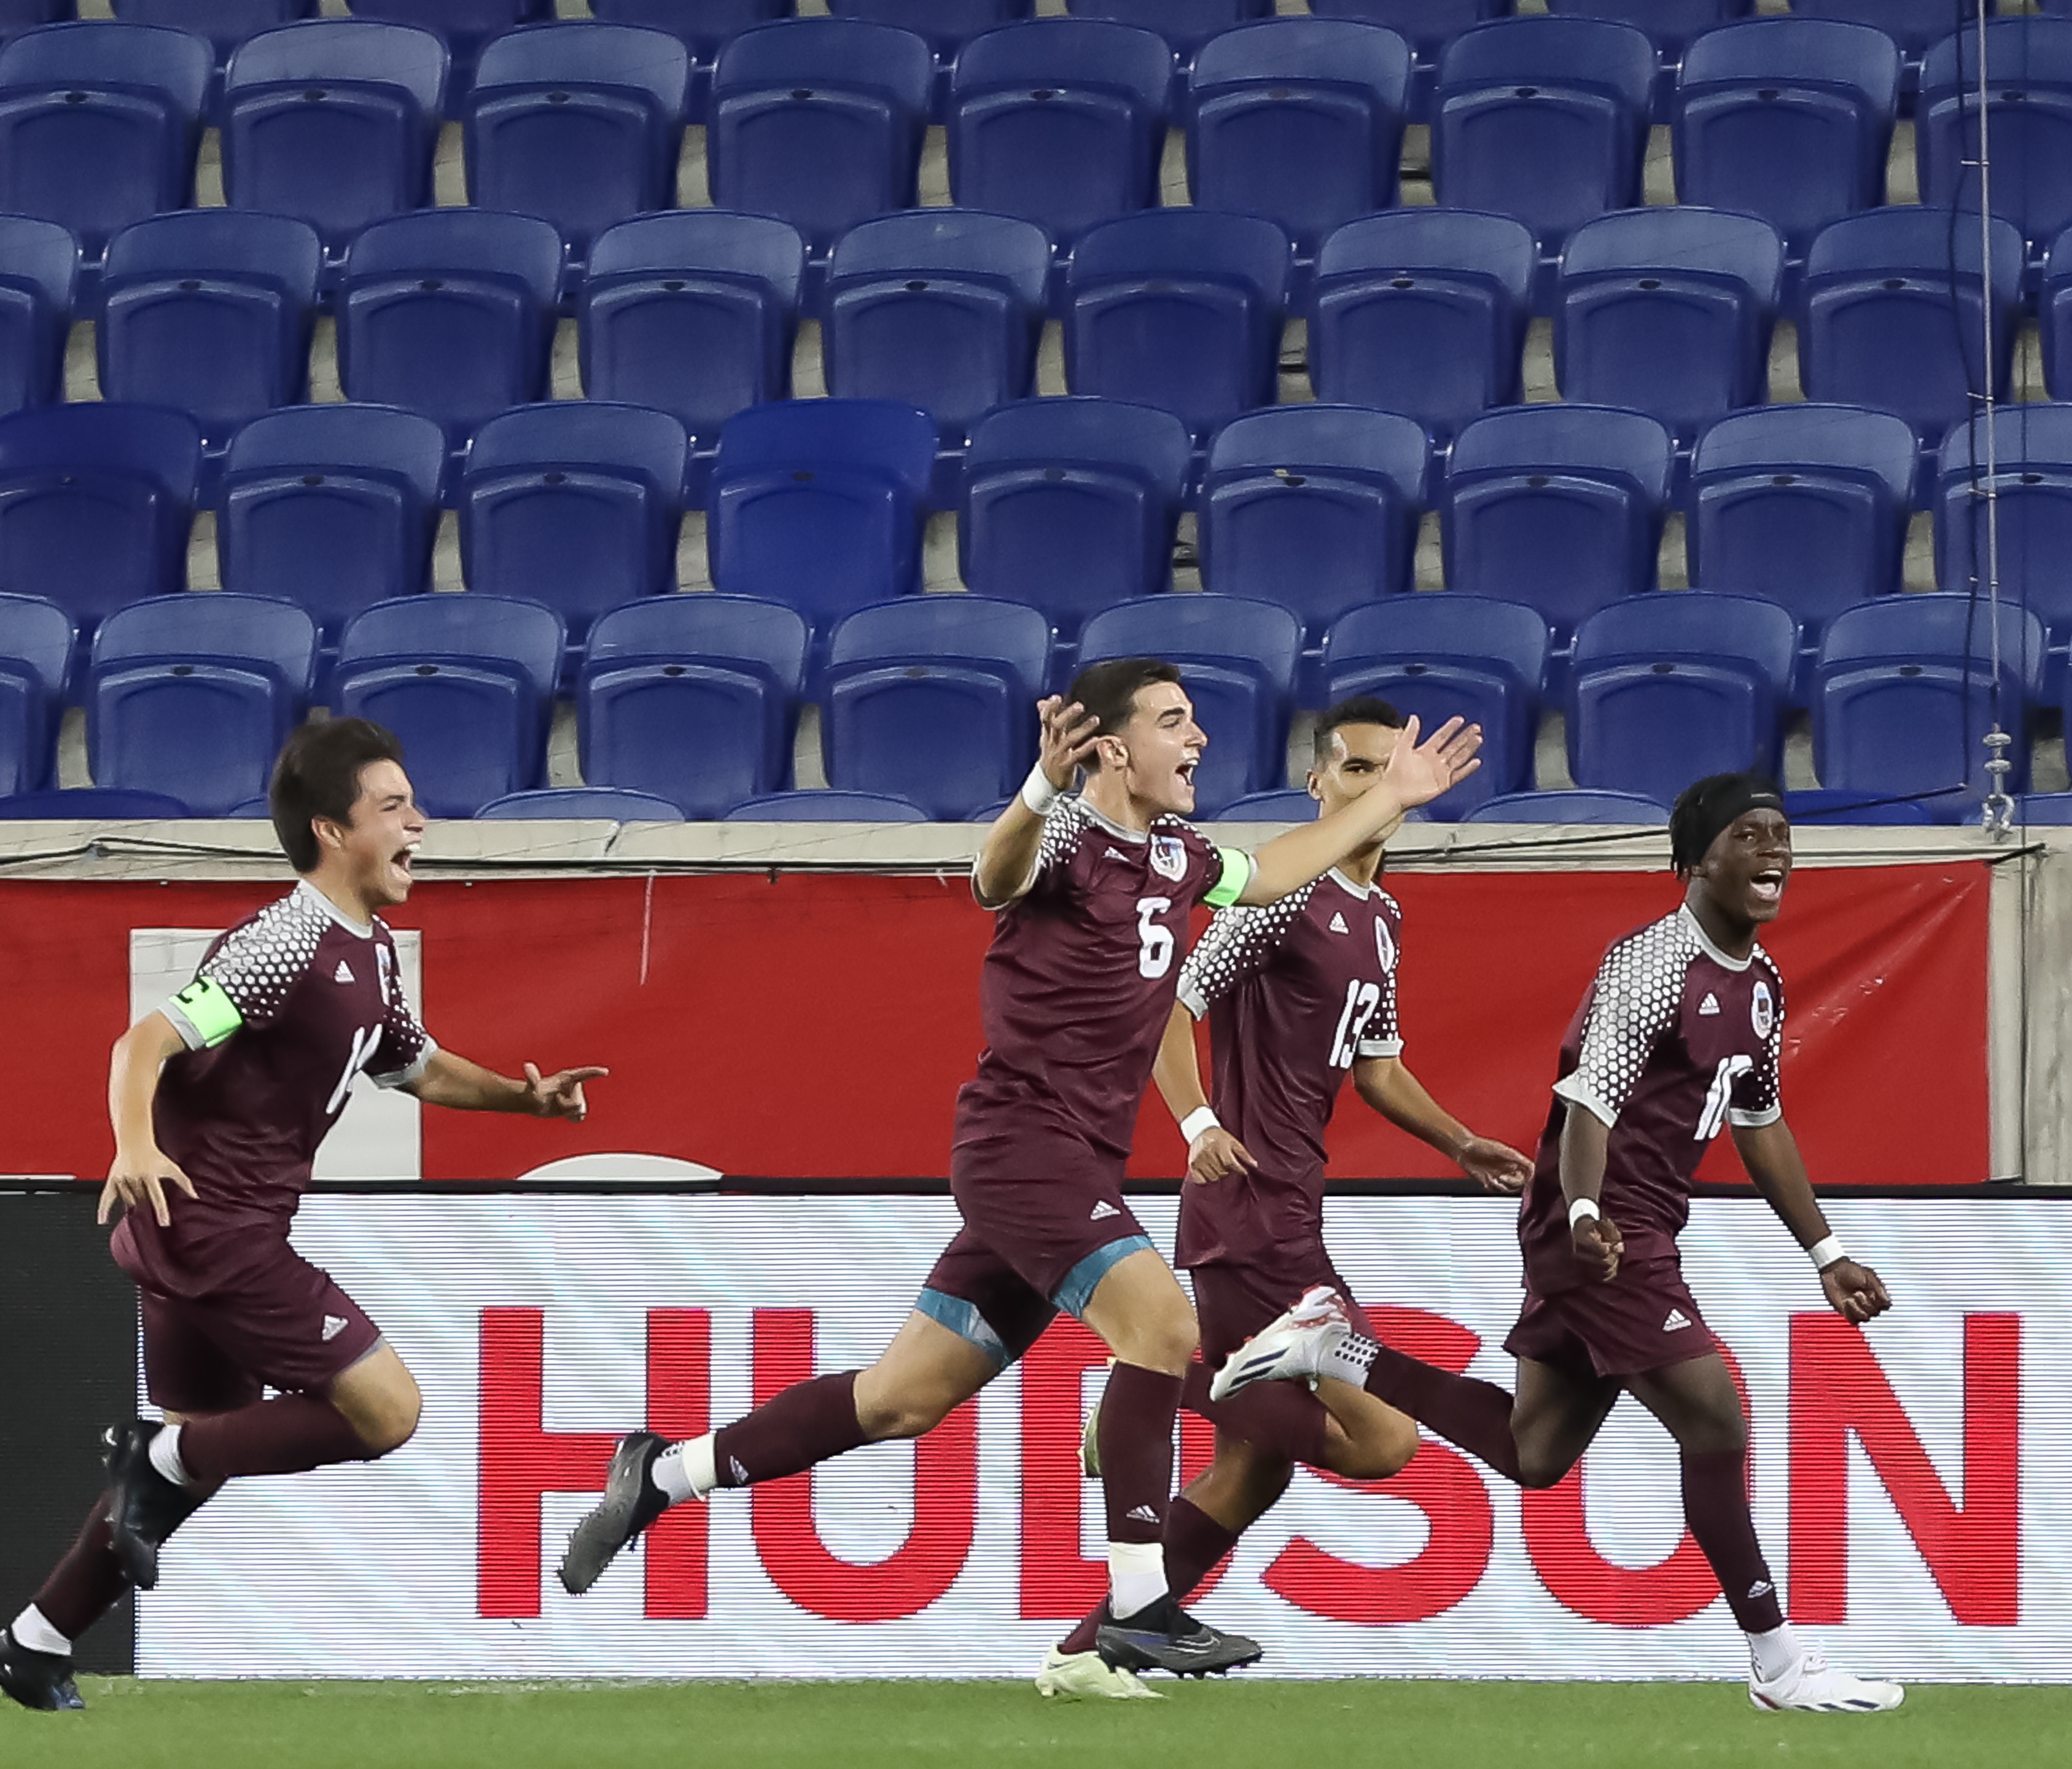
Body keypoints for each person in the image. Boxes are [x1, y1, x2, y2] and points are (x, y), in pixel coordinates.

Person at [560, 660, 1481, 1688]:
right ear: (1115, 747)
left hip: (1071, 1162)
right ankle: (1141, 1607)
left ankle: (661, 1474)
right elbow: (993, 875)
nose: (1201, 741)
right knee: (1164, 1330)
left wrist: (1391, 798)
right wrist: (1039, 789)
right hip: (1021, 1147)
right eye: (1177, 723)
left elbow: (1269, 873)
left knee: (901, 1399)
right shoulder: (1069, 842)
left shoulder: (1178, 854)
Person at [1214, 773, 1906, 1715]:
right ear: (1699, 859)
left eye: (1783, 836)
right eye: (1752, 836)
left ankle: (1329, 1348)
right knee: (1715, 1420)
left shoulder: (1764, 984)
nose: (1777, 852)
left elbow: (1761, 1124)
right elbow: (1588, 1099)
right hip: (1603, 1226)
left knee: (1534, 1453)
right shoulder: (1656, 962)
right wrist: (1583, 1216)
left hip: (1632, 1226)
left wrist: (1827, 1255)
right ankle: (1778, 1661)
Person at [0, 719, 607, 1712]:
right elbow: (145, 1041)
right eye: (395, 808)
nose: (421, 826)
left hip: (191, 1236)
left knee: (199, 1454)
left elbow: (419, 1066)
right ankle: (151, 1458)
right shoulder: (284, 945)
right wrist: (135, 1145)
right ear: (331, 830)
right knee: (385, 1411)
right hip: (216, 1229)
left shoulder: (369, 951)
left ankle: (36, 1638)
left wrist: (522, 1100)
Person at [1037, 696, 1534, 1697]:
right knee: (1384, 1439)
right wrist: (1197, 1125)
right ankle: (1153, 1384)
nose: (1374, 788)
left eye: (1386, 769)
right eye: (1354, 771)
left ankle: (1090, 1654)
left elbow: (1379, 1068)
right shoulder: (1286, 892)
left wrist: (1458, 1140)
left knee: (1250, 1473)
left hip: (1289, 1210)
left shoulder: (1380, 914)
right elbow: (1171, 999)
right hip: (1247, 1210)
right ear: (1319, 784)